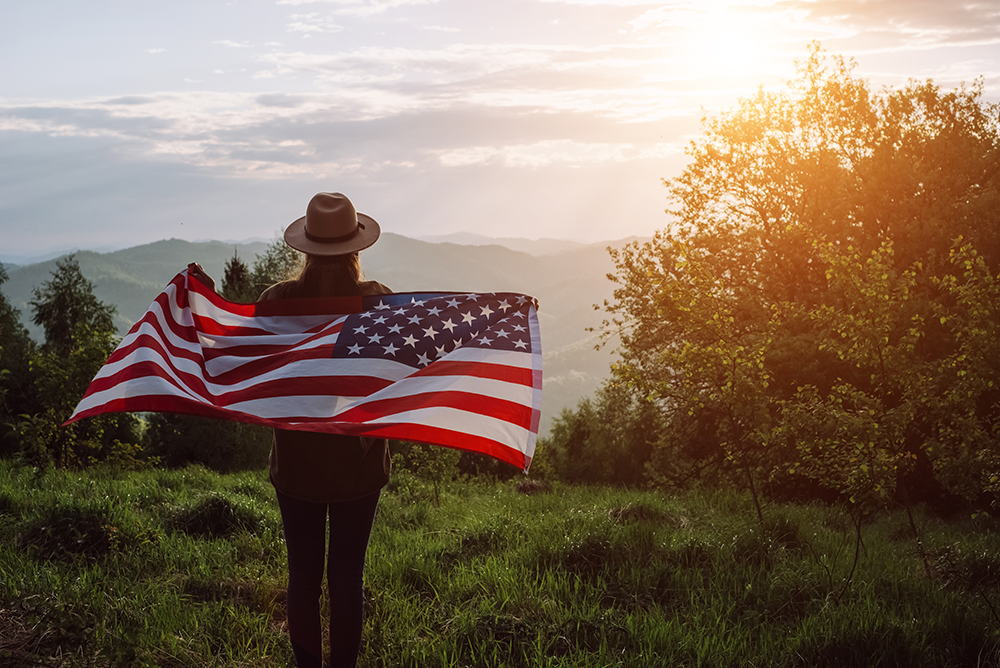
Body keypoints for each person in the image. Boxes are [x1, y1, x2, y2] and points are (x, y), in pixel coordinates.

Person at [196, 192, 391, 668]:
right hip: (360, 464)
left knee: (302, 579)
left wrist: (202, 299)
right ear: (356, 249)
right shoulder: (378, 302)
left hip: (296, 464)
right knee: (348, 580)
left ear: (304, 249)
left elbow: (234, 355)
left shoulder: (278, 301)